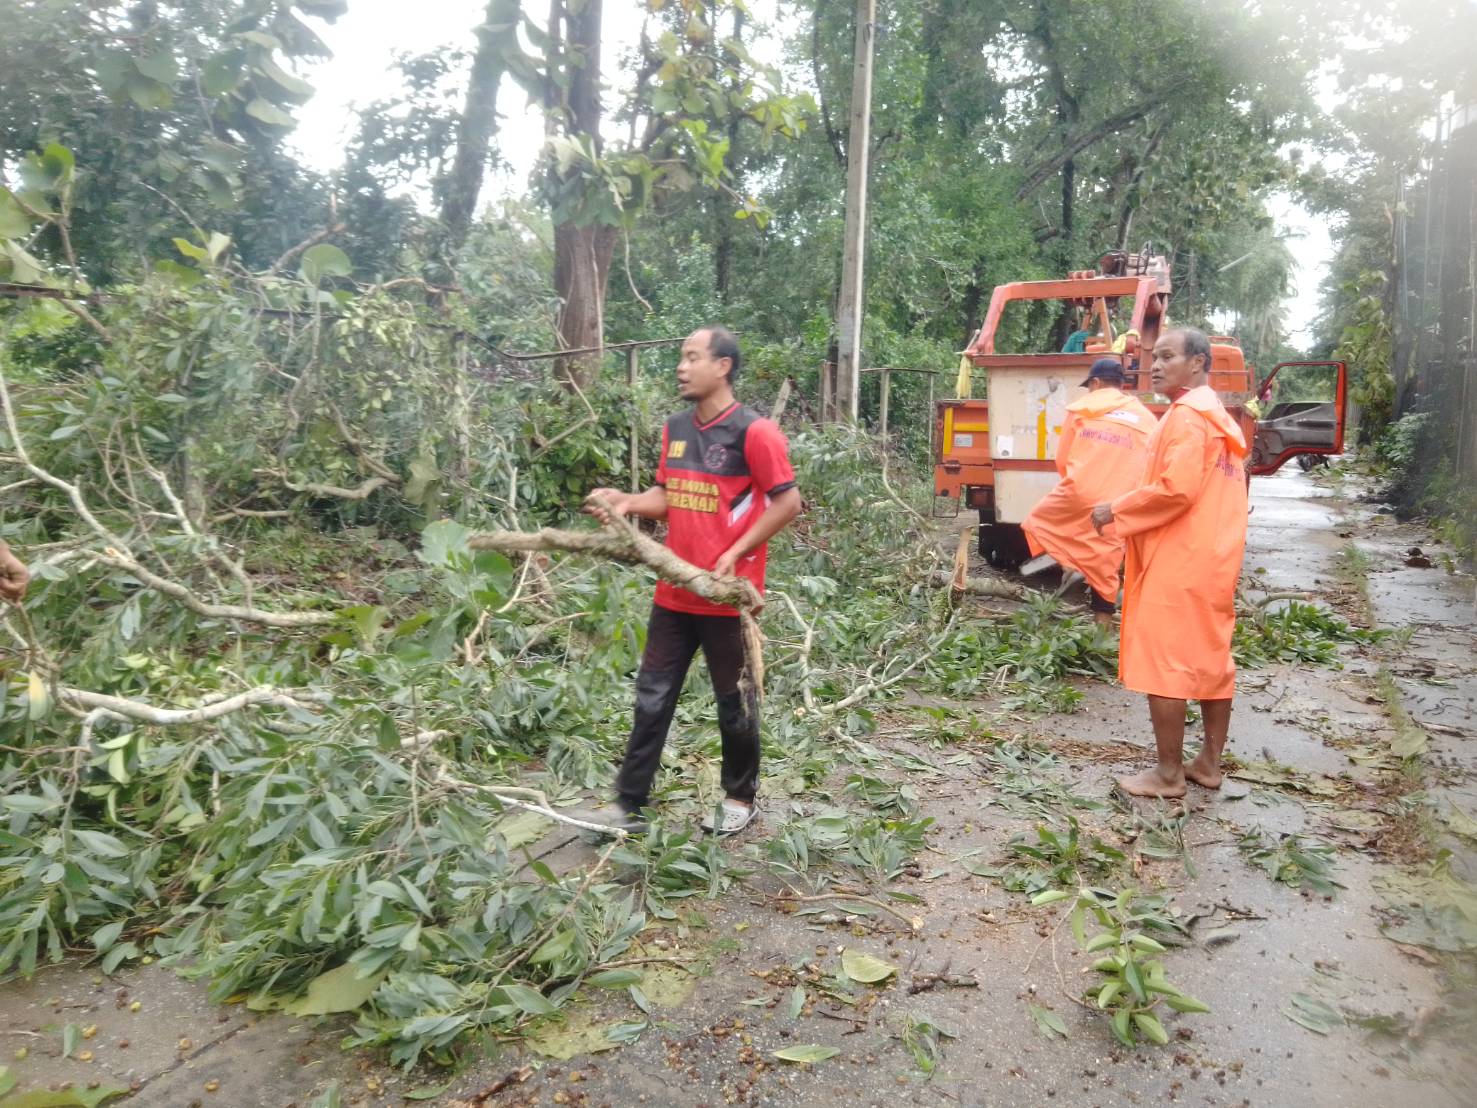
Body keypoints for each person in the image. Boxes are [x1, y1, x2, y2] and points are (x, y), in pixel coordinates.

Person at [580, 326, 802, 834]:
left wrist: (737, 551)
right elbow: (668, 495)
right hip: (674, 594)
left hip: (726, 599)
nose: (681, 367)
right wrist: (629, 502)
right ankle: (628, 805)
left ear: (722, 366)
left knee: (735, 702)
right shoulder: (676, 427)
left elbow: (788, 502)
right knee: (651, 697)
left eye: (691, 357)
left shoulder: (755, 433)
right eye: (681, 357)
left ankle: (740, 799)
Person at [1090, 328, 1249, 798]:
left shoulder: (1186, 417)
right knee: (1211, 658)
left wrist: (1114, 509)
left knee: (1166, 663)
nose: (1154, 365)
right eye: (1151, 358)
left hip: (1179, 557)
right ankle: (1208, 764)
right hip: (1214, 555)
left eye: (1166, 356)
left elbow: (1175, 490)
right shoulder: (1219, 418)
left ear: (1198, 362)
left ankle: (1167, 774)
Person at [1021, 358, 1156, 625]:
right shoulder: (1147, 418)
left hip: (1081, 489)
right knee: (1106, 557)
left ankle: (1072, 566)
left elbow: (1062, 459)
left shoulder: (1083, 408)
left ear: (1095, 383)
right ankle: (1101, 634)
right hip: (1119, 502)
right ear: (1122, 384)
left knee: (1038, 523)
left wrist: (1076, 489)